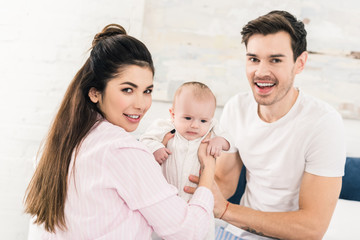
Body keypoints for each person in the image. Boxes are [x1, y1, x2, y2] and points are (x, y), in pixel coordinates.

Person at [24, 24, 217, 240]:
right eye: (127, 89)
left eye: (147, 91)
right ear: (95, 93)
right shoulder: (121, 150)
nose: (141, 104)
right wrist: (208, 169)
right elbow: (189, 232)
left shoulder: (61, 142)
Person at [186, 10, 346, 240]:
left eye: (275, 60)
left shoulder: (324, 123)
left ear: (300, 63)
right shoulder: (237, 107)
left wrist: (227, 210)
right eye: (253, 59)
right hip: (234, 232)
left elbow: (312, 228)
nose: (261, 72)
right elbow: (224, 184)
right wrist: (187, 180)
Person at [140, 81, 231, 240]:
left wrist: (219, 142)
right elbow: (144, 141)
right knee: (159, 230)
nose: (195, 125)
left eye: (203, 120)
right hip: (167, 199)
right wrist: (155, 147)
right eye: (188, 118)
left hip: (196, 199)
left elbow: (229, 141)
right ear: (173, 114)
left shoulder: (211, 129)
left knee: (203, 230)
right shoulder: (165, 127)